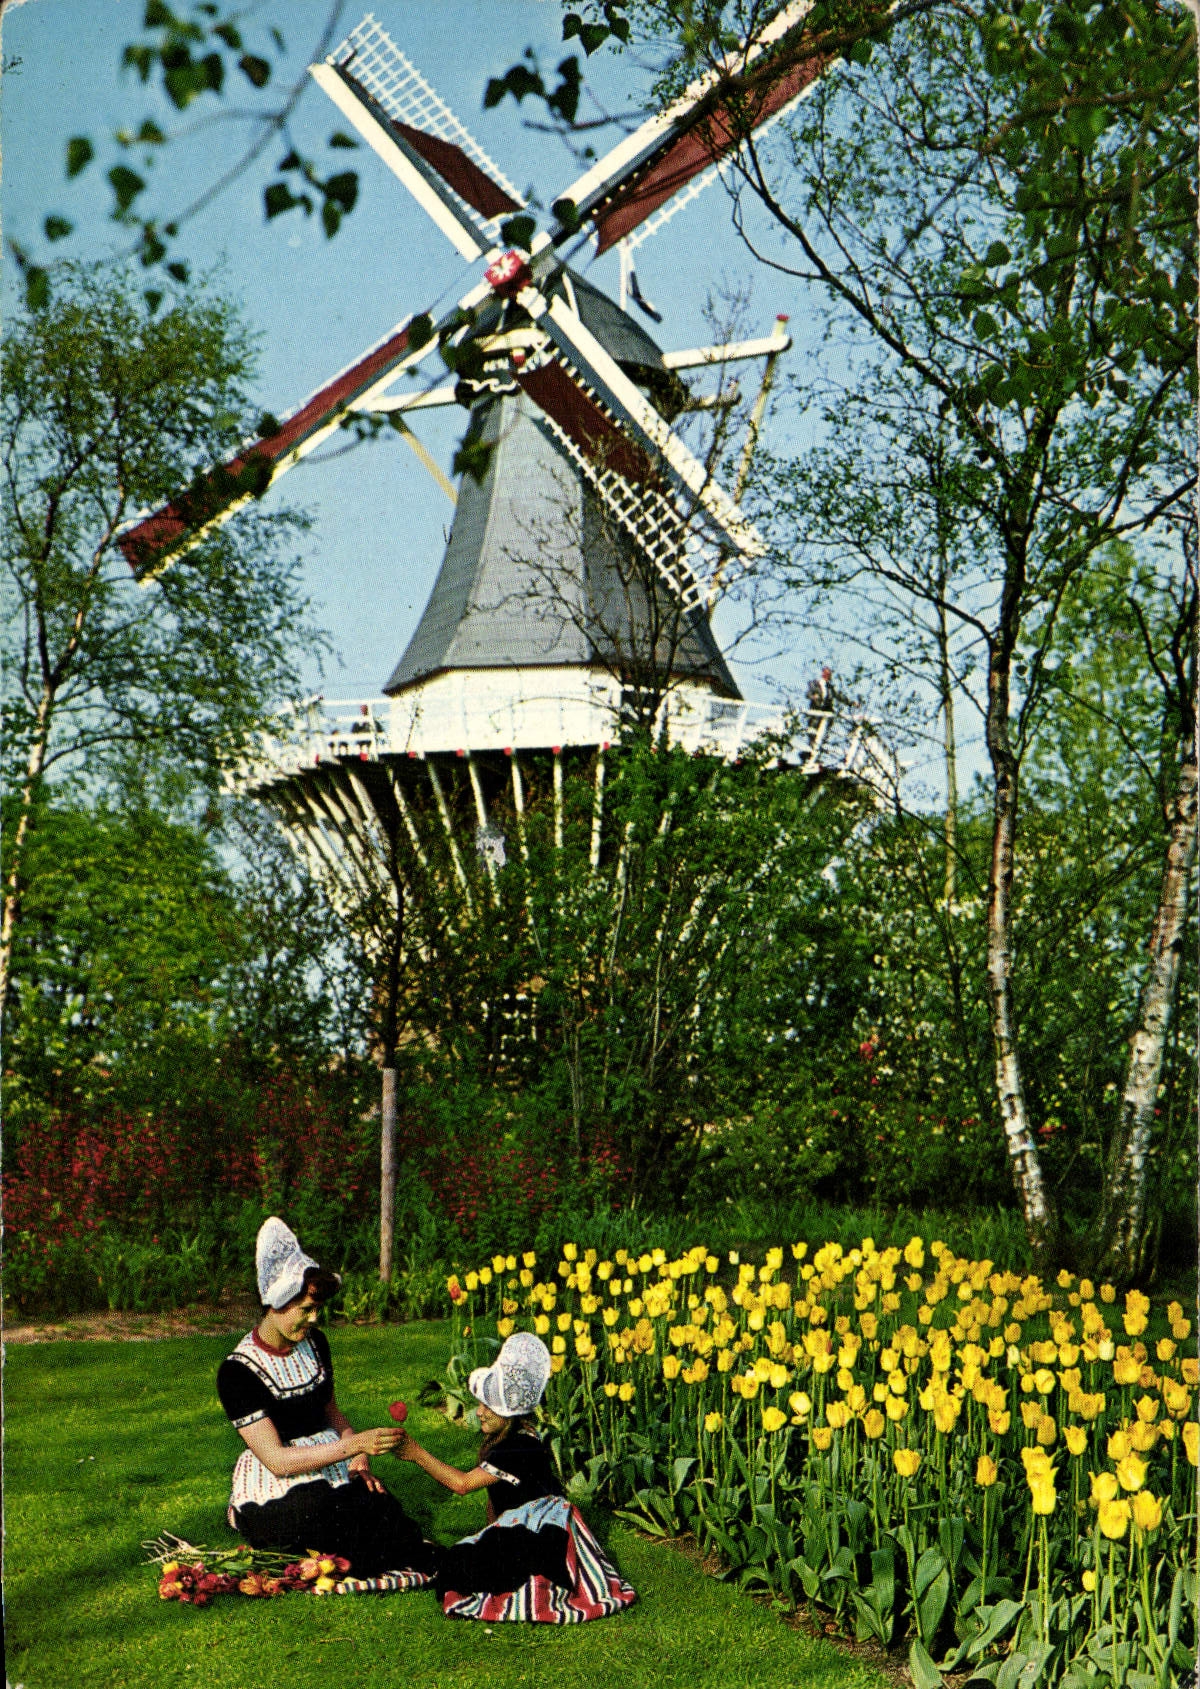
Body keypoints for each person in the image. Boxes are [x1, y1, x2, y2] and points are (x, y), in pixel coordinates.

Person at [216, 1217, 433, 1579]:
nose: (314, 1319)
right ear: (276, 1303)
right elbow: (277, 1461)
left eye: (317, 1309)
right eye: (306, 1309)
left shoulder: (314, 1344)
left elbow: (330, 1410)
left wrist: (358, 1456)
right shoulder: (238, 1372)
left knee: (383, 1513)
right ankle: (244, 1515)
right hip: (278, 1477)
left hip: (329, 1461)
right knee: (321, 1518)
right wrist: (352, 1446)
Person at [396, 1331, 636, 1623]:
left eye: (488, 1407)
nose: (480, 1412)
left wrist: (416, 1453)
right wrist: (488, 1537)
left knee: (459, 1570)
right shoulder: (515, 1439)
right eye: (481, 1404)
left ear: (508, 1413)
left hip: (542, 1532)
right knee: (466, 1559)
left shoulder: (518, 1447)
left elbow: (462, 1484)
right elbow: (496, 1502)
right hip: (527, 1525)